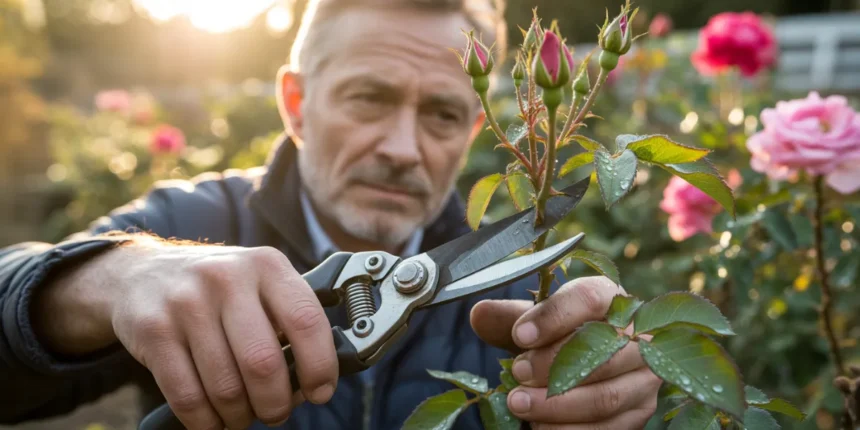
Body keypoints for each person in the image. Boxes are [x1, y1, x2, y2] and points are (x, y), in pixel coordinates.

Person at [0, 0, 661, 428]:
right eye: (369, 99)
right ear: (295, 104)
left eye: (442, 114)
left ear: (473, 131)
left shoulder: (522, 286)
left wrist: (616, 392)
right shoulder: (191, 218)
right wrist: (107, 280)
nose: (402, 150)